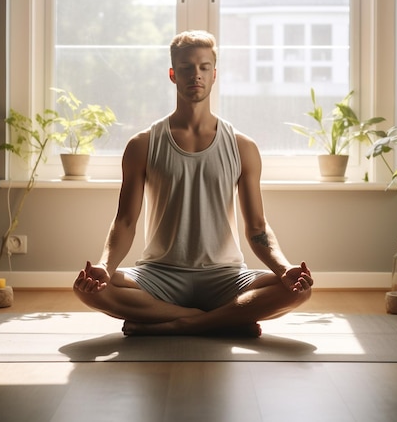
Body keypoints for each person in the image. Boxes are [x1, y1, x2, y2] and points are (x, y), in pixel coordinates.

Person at [73, 30, 313, 337]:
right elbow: (125, 221)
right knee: (88, 289)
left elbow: (257, 227)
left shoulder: (243, 147)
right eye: (186, 68)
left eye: (204, 67)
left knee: (298, 290)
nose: (195, 75)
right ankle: (222, 320)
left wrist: (284, 269)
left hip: (225, 276)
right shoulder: (142, 145)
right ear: (173, 75)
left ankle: (180, 323)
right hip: (159, 275)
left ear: (215, 75)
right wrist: (106, 267)